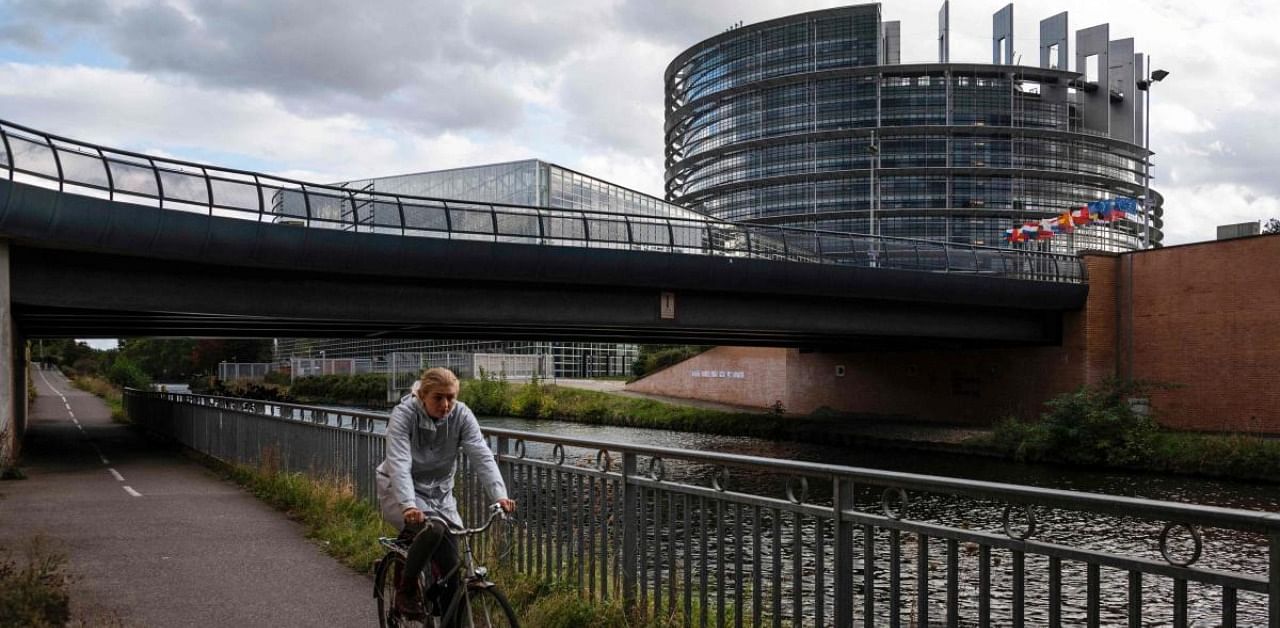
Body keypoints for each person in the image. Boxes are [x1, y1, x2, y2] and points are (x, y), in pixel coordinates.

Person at [375, 367, 516, 620]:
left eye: (451, 397)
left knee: (452, 568)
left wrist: (499, 496)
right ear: (422, 395)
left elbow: (481, 455)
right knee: (435, 529)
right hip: (400, 490)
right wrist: (408, 504)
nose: (446, 404)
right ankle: (405, 591)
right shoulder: (404, 415)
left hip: (440, 494)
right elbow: (398, 462)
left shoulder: (461, 415)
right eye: (438, 398)